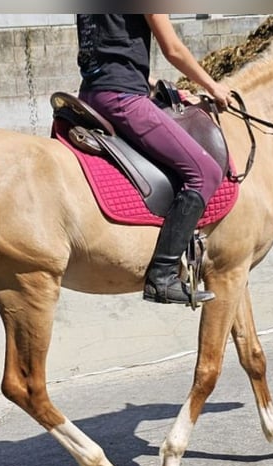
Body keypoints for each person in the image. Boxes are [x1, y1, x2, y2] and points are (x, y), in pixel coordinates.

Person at [76, 14, 234, 305]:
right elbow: (172, 48)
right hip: (122, 99)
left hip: (91, 93)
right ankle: (163, 276)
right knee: (205, 172)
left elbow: (109, 52)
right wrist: (213, 86)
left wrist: (152, 84)